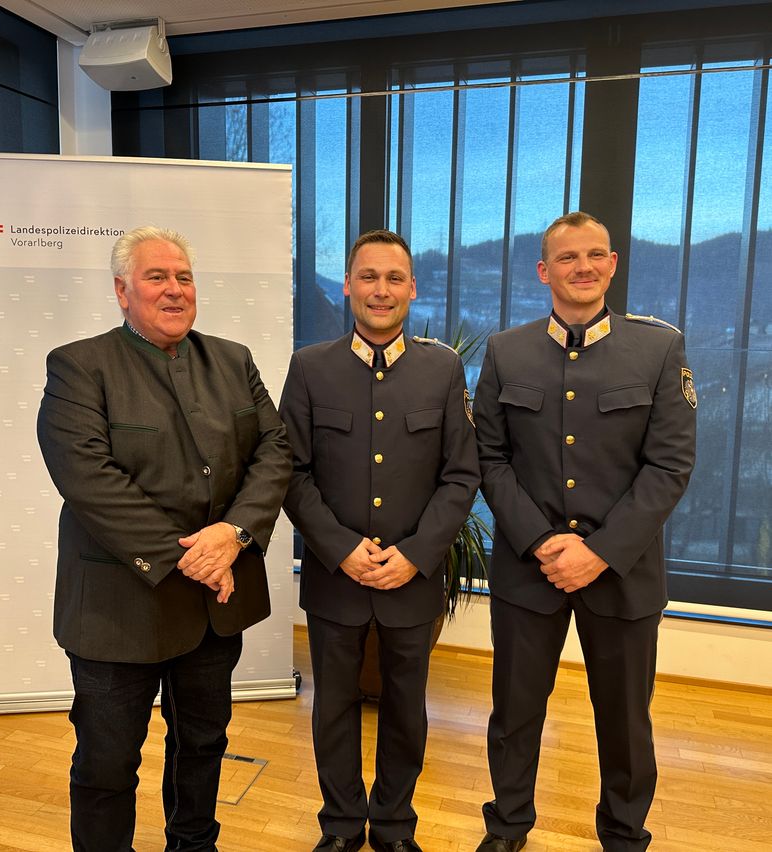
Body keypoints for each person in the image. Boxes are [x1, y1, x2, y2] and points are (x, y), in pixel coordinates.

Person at [36, 226, 292, 851]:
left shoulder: (232, 359)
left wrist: (233, 535)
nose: (174, 289)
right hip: (118, 612)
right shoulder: (78, 365)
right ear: (122, 291)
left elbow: (276, 450)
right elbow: (88, 480)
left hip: (213, 609)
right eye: (157, 277)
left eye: (183, 277)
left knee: (202, 746)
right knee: (106, 762)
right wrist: (199, 557)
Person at [472, 212, 697, 851]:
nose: (583, 268)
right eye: (567, 258)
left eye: (595, 255)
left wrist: (597, 553)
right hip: (528, 567)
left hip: (622, 572)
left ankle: (625, 836)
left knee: (625, 721)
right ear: (544, 271)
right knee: (515, 715)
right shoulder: (505, 351)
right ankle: (508, 827)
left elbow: (670, 465)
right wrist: (543, 542)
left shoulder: (657, 350)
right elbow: (489, 457)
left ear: (613, 264)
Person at [279, 229, 480, 852]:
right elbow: (290, 471)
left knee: (405, 710)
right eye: (368, 276)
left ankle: (394, 824)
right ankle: (340, 825)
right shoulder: (311, 367)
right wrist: (339, 547)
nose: (381, 290)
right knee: (332, 709)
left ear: (412, 289)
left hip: (410, 582)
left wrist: (416, 557)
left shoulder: (443, 368)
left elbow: (461, 474)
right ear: (347, 285)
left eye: (395, 278)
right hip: (335, 579)